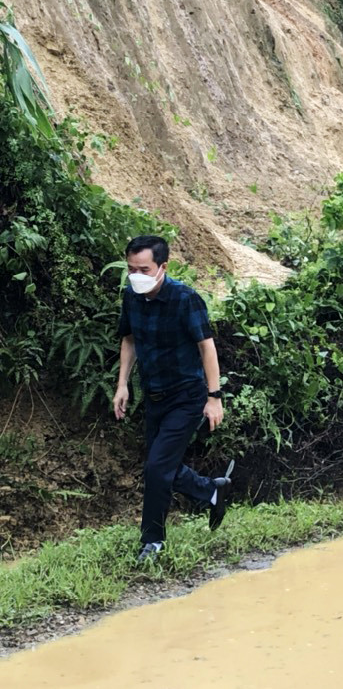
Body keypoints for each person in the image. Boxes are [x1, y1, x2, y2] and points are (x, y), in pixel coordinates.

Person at [113, 235, 233, 564]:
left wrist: (214, 397)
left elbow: (206, 347)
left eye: (144, 269)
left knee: (156, 468)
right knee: (160, 466)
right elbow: (129, 339)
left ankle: (152, 542)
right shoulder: (131, 296)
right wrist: (122, 384)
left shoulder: (185, 299)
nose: (136, 274)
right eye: (131, 268)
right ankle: (211, 491)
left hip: (187, 394)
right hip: (154, 394)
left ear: (162, 267)